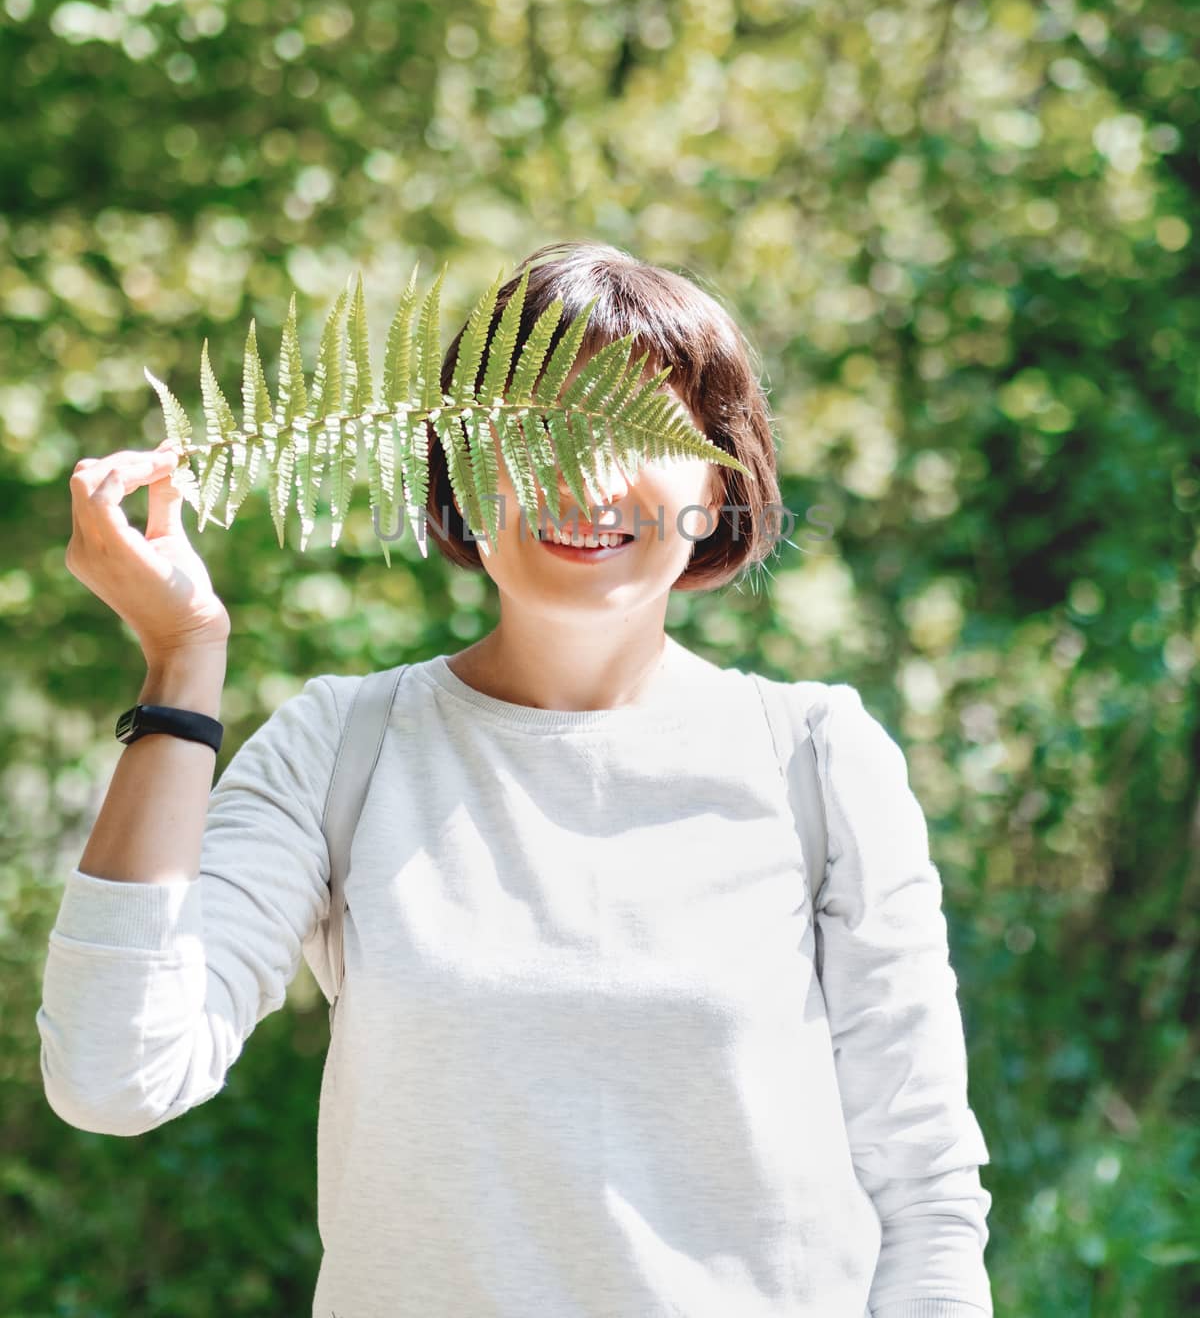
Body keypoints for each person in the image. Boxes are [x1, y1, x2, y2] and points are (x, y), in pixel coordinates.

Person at [38, 240, 994, 1317]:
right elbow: (117, 1073)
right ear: (456, 464)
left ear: (720, 478)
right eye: (536, 427)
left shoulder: (817, 758)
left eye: (630, 425)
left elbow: (924, 1192)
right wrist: (182, 659)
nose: (579, 475)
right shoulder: (342, 745)